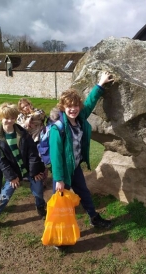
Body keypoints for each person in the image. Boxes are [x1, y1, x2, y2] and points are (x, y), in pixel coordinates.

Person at [49, 71, 114, 229]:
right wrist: (59, 179)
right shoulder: (58, 129)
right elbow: (55, 156)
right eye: (69, 106)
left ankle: (94, 218)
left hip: (75, 167)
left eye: (76, 106)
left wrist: (100, 84)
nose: (73, 109)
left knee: (84, 193)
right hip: (63, 172)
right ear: (63, 108)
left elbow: (91, 102)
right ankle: (59, 233)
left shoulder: (79, 119)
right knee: (61, 203)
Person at [0, 103, 47, 235]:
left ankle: (40, 207)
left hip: (30, 170)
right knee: (4, 195)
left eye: (12, 118)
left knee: (38, 191)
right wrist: (11, 177)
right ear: (0, 117)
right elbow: (1, 161)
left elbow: (33, 153)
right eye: (6, 118)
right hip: (14, 173)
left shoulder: (23, 133)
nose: (9, 121)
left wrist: (35, 172)